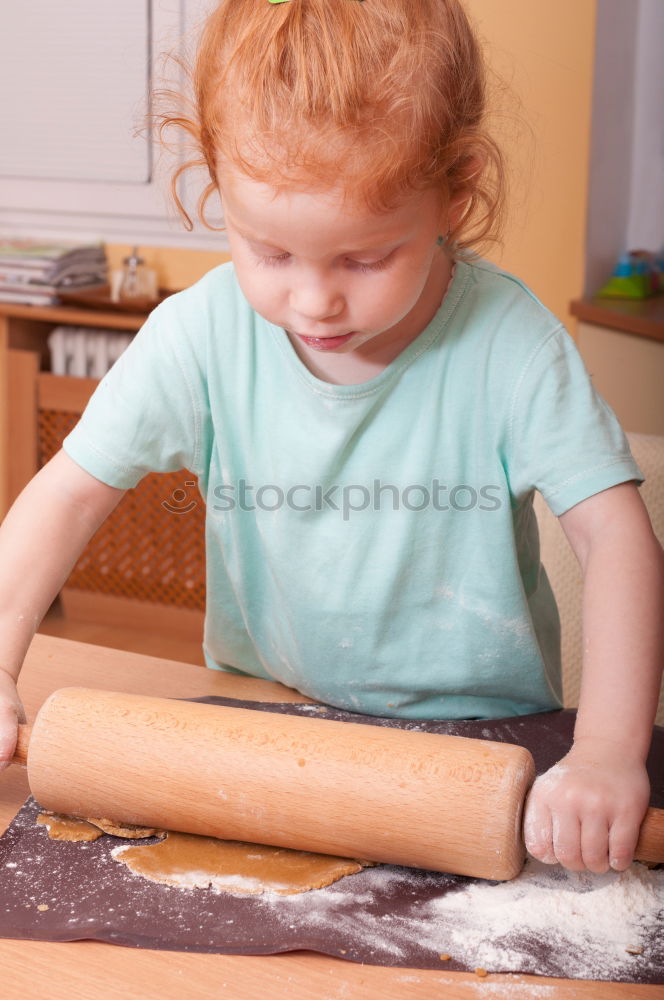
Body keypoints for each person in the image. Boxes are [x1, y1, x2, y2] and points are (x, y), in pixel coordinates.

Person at [0, 0, 662, 877]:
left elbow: (616, 536)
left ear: (454, 195)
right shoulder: (197, 334)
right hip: (264, 715)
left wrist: (611, 754)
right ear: (216, 183)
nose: (314, 302)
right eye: (268, 251)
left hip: (477, 746)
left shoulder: (513, 345)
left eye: (363, 258)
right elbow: (67, 493)